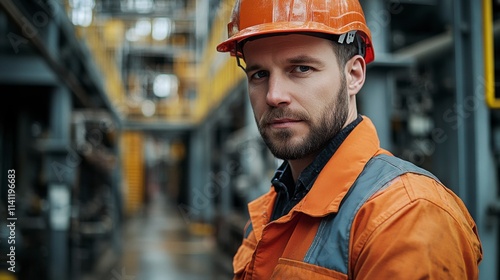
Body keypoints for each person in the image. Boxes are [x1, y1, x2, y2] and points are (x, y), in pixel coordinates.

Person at [216, 0, 483, 279]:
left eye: (301, 68)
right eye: (259, 74)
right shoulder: (271, 210)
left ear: (354, 75)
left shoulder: (407, 215)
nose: (273, 95)